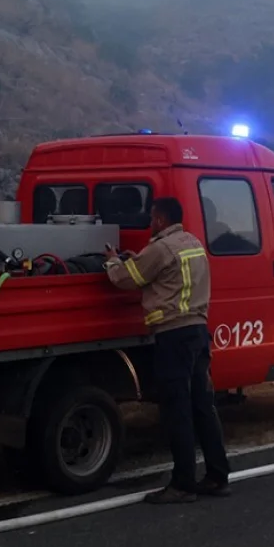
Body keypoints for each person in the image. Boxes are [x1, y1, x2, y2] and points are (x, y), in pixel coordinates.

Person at [104, 196, 232, 504]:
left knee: (177, 410)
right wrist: (139, 259)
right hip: (199, 334)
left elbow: (126, 278)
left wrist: (112, 260)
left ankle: (183, 484)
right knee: (203, 406)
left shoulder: (161, 248)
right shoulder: (193, 244)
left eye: (152, 218)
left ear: (161, 220)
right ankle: (217, 476)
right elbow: (162, 273)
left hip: (173, 336)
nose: (150, 224)